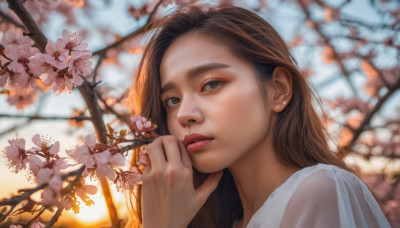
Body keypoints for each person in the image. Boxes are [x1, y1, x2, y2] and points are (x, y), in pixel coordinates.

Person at [128, 4, 390, 228]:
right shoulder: (231, 221)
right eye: (172, 100)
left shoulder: (318, 191)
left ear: (278, 90)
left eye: (211, 84)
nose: (184, 114)